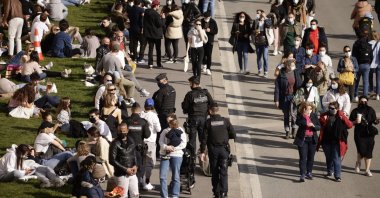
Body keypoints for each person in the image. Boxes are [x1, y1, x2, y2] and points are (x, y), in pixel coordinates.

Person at [200, 103, 236, 198]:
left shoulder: (208, 122)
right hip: (224, 150)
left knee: (215, 172)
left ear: (210, 111)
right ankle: (224, 193)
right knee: (224, 172)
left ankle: (217, 193)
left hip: (213, 151)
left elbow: (204, 139)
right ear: (218, 110)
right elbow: (233, 134)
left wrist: (202, 152)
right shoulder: (225, 121)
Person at [318, 101, 353, 182]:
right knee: (328, 157)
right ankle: (330, 171)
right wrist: (322, 119)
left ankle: (337, 175)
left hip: (337, 141)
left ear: (337, 109)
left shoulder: (341, 116)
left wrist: (342, 117)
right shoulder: (325, 115)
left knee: (336, 158)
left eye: (332, 108)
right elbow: (319, 123)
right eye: (329, 108)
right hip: (326, 141)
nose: (330, 110)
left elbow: (350, 125)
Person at [182, 76, 214, 154]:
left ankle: (192, 159)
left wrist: (185, 108)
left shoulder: (190, 94)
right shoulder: (205, 92)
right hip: (204, 119)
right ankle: (203, 156)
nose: (189, 85)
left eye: (190, 83)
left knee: (192, 140)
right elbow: (212, 104)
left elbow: (185, 108)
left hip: (193, 119)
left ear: (193, 84)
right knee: (203, 139)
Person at [349, 96, 380, 177]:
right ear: (359, 102)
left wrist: (377, 121)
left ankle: (367, 170)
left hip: (369, 133)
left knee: (369, 151)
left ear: (367, 102)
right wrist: (355, 121)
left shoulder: (370, 110)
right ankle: (358, 163)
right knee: (361, 150)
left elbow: (374, 120)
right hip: (359, 134)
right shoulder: (355, 111)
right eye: (362, 101)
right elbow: (349, 122)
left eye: (365, 101)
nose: (363, 103)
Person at [159, 114, 187, 198]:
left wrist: (174, 148)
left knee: (176, 176)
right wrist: (166, 147)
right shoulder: (165, 131)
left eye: (170, 121)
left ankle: (175, 195)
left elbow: (184, 143)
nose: (168, 123)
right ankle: (165, 196)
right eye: (167, 121)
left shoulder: (180, 130)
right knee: (162, 177)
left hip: (177, 155)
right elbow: (160, 142)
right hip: (165, 154)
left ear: (174, 121)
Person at [124, 102, 151, 186]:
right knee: (139, 168)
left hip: (128, 148)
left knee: (128, 167)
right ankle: (136, 187)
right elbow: (147, 135)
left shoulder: (126, 121)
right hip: (139, 149)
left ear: (131, 110)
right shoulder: (143, 122)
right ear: (140, 111)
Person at [109, 123, 139, 198]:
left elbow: (134, 154)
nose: (122, 133)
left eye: (124, 131)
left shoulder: (131, 140)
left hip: (132, 172)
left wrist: (135, 165)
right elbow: (112, 160)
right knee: (121, 196)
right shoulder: (114, 143)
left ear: (127, 130)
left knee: (135, 194)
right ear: (117, 131)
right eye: (120, 131)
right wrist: (125, 169)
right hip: (121, 174)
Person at [274, 59, 302, 138]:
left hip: (294, 96)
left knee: (294, 114)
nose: (294, 67)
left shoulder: (296, 73)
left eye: (294, 65)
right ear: (287, 66)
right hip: (285, 97)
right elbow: (277, 88)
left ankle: (294, 131)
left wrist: (300, 96)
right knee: (286, 115)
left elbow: (299, 85)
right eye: (292, 65)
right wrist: (276, 100)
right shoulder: (281, 74)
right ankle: (287, 131)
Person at [294, 102, 320, 182]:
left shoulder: (314, 116)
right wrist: (306, 120)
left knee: (311, 158)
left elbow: (319, 126)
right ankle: (302, 174)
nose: (309, 110)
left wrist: (314, 126)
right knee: (303, 158)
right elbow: (298, 122)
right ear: (304, 109)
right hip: (303, 140)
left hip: (312, 139)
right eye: (308, 109)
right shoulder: (300, 116)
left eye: (311, 109)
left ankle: (309, 172)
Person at [139, 98, 161, 190]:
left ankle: (140, 179)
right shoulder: (154, 116)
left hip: (141, 141)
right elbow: (159, 129)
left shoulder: (141, 114)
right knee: (150, 163)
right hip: (150, 142)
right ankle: (146, 181)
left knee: (141, 162)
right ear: (153, 106)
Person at [152, 73, 176, 157]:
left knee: (161, 133)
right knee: (171, 133)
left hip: (163, 115)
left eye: (159, 81)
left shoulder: (161, 91)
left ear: (164, 80)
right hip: (172, 114)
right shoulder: (172, 89)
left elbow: (157, 103)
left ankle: (159, 151)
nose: (158, 83)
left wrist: (159, 111)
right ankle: (171, 150)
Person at [352, 30, 373, 100]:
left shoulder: (356, 44)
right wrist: (369, 63)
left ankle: (355, 95)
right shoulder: (369, 45)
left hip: (358, 65)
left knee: (356, 81)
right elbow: (371, 56)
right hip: (366, 65)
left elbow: (353, 56)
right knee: (365, 82)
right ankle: (365, 97)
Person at [144, 0, 164, 69]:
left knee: (150, 49)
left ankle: (150, 64)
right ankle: (158, 63)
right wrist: (163, 19)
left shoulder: (146, 12)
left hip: (149, 34)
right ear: (156, 6)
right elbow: (159, 24)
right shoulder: (156, 14)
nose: (159, 7)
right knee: (158, 50)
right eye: (158, 5)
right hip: (157, 34)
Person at [253, 11, 270, 77]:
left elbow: (269, 25)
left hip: (265, 42)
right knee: (259, 57)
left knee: (265, 57)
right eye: (259, 14)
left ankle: (265, 71)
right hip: (258, 41)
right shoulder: (256, 21)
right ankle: (259, 69)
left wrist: (265, 18)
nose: (261, 16)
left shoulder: (267, 21)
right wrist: (255, 31)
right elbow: (252, 30)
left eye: (262, 15)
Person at [201, 11, 218, 76]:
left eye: (207, 17)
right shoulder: (201, 21)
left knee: (209, 55)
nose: (206, 18)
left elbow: (216, 31)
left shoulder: (213, 22)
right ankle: (204, 65)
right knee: (203, 54)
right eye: (205, 17)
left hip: (210, 40)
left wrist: (210, 30)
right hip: (202, 40)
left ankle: (208, 68)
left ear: (210, 17)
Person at [369, 31, 380, 100]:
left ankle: (371, 91)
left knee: (370, 78)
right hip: (378, 63)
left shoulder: (368, 43)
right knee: (378, 80)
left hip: (370, 63)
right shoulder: (379, 44)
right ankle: (378, 94)